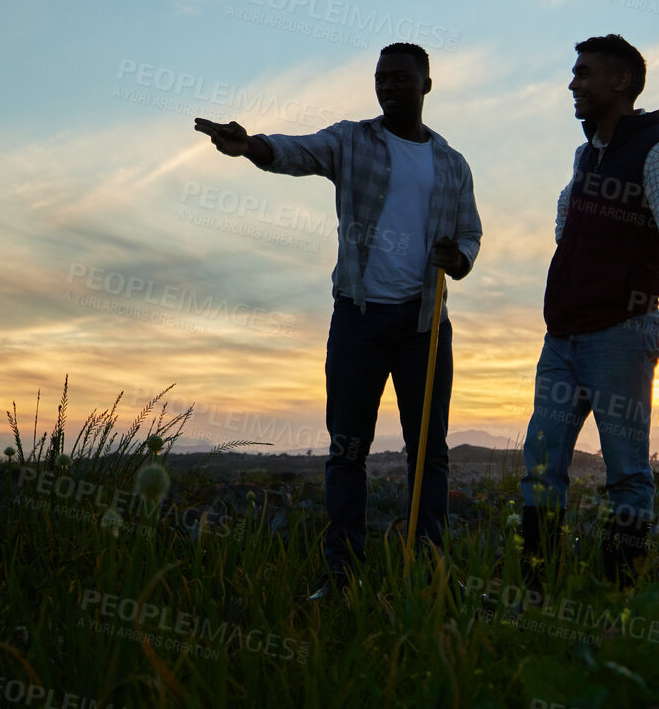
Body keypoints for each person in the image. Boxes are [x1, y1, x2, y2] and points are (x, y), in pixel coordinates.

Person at [194, 43, 481, 601]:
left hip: (424, 323)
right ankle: (342, 576)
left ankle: (428, 573)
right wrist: (251, 146)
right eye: (380, 79)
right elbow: (299, 151)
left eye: (400, 78)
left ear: (427, 84)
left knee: (430, 452)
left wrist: (461, 259)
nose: (388, 87)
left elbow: (469, 231)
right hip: (359, 318)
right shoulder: (354, 140)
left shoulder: (451, 163)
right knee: (347, 449)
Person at [519, 34, 659, 587]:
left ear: (620, 82)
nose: (573, 84)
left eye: (584, 73)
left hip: (622, 334)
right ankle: (537, 584)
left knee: (626, 471)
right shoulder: (587, 156)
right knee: (540, 465)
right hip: (562, 337)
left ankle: (620, 589)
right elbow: (566, 229)